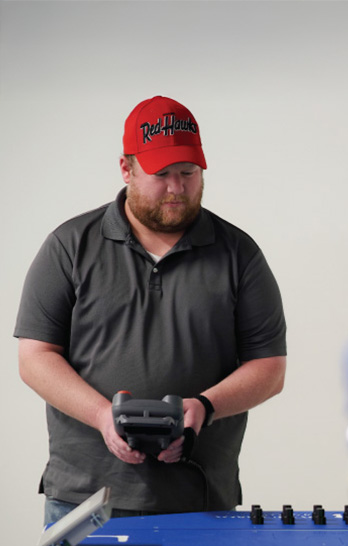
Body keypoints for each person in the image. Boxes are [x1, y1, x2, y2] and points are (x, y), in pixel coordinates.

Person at [14, 96, 287, 523]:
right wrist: (103, 416)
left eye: (188, 173)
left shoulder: (239, 255)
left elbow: (269, 367)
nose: (177, 188)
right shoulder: (69, 247)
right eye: (161, 174)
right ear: (127, 169)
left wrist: (204, 406)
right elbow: (35, 359)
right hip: (84, 500)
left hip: (200, 498)